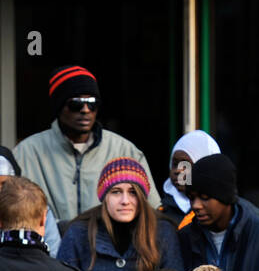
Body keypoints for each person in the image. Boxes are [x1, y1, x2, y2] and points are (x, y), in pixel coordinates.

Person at [13, 65, 160, 225]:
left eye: (92, 103)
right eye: (76, 104)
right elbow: (12, 214)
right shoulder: (27, 152)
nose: (85, 110)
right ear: (59, 106)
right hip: (49, 247)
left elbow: (151, 210)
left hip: (111, 247)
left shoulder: (124, 150)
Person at [58, 158, 184, 271]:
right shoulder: (79, 233)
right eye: (116, 192)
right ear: (104, 196)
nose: (125, 200)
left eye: (133, 192)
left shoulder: (163, 232)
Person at [159, 129, 220, 229]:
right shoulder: (161, 213)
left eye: (185, 165)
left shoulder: (223, 215)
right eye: (174, 164)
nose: (178, 171)